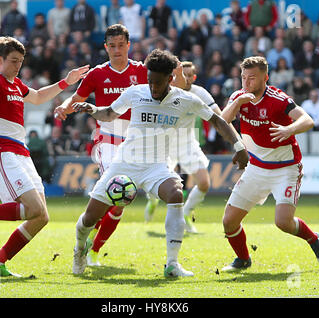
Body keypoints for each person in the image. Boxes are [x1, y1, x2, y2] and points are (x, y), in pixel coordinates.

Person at [57, 48, 249, 277]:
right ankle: (80, 249)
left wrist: (239, 147)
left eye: (157, 83)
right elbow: (109, 113)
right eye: (149, 81)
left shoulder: (185, 99)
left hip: (156, 167)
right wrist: (92, 109)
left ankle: (172, 264)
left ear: (170, 79)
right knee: (89, 218)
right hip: (125, 163)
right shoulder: (135, 92)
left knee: (176, 194)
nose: (153, 87)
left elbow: (217, 120)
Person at [0, 36, 89, 277]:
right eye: (13, 61)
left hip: (21, 153)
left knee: (41, 216)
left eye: (21, 61)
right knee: (33, 209)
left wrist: (65, 83)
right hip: (2, 151)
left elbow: (37, 97)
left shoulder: (16, 84)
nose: (17, 66)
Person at [54, 24, 186, 267]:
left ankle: (93, 249)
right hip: (108, 140)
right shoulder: (96, 74)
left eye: (121, 45)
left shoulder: (141, 71)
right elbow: (78, 98)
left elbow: (166, 92)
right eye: (111, 46)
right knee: (118, 192)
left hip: (139, 142)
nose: (116, 50)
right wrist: (64, 107)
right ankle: (85, 241)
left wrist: (178, 80)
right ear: (106, 47)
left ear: (129, 45)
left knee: (118, 206)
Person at [220, 56, 319, 271]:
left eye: (252, 78)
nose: (246, 83)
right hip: (256, 168)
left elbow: (307, 119)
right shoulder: (238, 97)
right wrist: (237, 103)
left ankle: (314, 239)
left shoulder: (278, 98)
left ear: (265, 78)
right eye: (243, 77)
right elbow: (221, 121)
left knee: (283, 223)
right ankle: (243, 260)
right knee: (229, 222)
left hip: (286, 169)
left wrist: (289, 129)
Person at [144, 61, 241, 234]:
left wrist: (238, 143)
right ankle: (152, 201)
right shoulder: (165, 91)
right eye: (182, 74)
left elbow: (220, 118)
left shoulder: (200, 93)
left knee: (204, 183)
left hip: (188, 143)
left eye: (189, 75)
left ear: (194, 77)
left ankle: (187, 214)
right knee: (160, 186)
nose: (185, 78)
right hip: (165, 144)